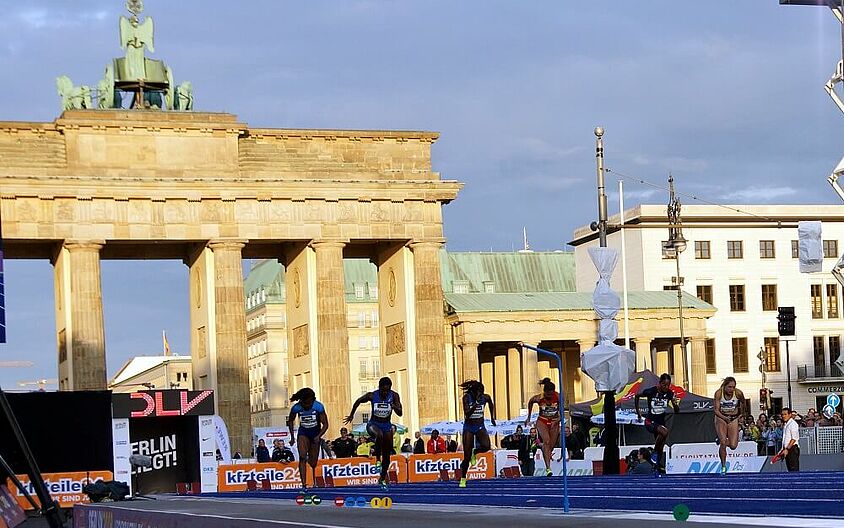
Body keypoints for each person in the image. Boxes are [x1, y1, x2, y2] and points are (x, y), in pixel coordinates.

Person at [345, 376, 403, 490]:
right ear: (379, 388)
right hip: (373, 424)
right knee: (379, 435)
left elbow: (400, 413)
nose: (385, 393)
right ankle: (377, 459)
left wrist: (394, 406)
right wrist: (352, 414)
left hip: (386, 425)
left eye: (387, 390)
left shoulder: (394, 396)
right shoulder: (372, 395)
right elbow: (358, 401)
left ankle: (382, 478)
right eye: (383, 390)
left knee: (387, 453)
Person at [635, 373, 680, 473]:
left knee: (661, 446)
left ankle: (656, 467)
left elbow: (677, 411)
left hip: (660, 422)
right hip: (650, 421)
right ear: (660, 383)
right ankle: (654, 454)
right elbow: (637, 396)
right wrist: (638, 413)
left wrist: (674, 402)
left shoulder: (669, 393)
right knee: (664, 432)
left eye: (668, 385)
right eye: (664, 385)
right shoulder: (651, 391)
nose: (666, 387)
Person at [286, 387, 329, 491]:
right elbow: (290, 421)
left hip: (315, 433)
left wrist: (319, 436)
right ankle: (304, 484)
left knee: (313, 462)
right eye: (304, 404)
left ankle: (312, 468)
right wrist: (292, 436)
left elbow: (326, 424)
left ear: (312, 400)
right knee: (302, 457)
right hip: (303, 433)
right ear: (301, 401)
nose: (306, 406)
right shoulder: (296, 407)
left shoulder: (318, 406)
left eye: (308, 404)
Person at [457, 380, 496, 488]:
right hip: (469, 427)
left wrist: (492, 417)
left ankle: (476, 451)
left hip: (480, 425)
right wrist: (476, 404)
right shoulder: (466, 398)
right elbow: (467, 414)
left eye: (482, 393)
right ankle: (463, 478)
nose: (481, 395)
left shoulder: (485, 397)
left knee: (486, 446)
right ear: (474, 392)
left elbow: (490, 403)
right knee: (467, 456)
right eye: (479, 393)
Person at [525, 377, 562, 476]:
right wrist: (528, 417)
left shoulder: (558, 396)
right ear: (544, 392)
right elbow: (530, 402)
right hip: (542, 421)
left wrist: (558, 420)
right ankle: (548, 468)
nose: (549, 397)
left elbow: (563, 411)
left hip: (554, 421)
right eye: (547, 395)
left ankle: (542, 447)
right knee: (547, 441)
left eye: (551, 394)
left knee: (551, 447)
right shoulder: (538, 398)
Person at [713, 376, 745, 475]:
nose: (731, 389)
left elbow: (743, 403)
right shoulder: (719, 393)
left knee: (733, 445)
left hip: (733, 417)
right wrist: (724, 418)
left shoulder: (738, 393)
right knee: (723, 442)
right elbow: (716, 410)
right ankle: (723, 466)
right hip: (721, 417)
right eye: (729, 387)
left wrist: (741, 415)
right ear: (725, 386)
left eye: (733, 387)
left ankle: (722, 441)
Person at [775, 408, 800, 472]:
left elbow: (794, 438)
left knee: (794, 469)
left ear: (790, 414)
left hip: (792, 449)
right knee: (790, 469)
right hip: (787, 449)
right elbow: (785, 439)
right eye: (782, 414)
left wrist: (787, 449)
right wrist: (782, 450)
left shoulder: (793, 424)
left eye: (785, 414)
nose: (783, 416)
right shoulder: (786, 424)